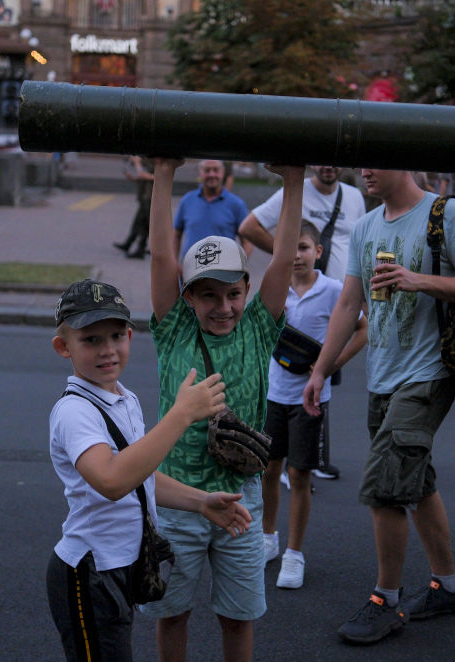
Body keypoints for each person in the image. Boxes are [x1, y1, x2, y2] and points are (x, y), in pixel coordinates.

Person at [301, 168, 455, 645]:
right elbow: (349, 303)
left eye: (375, 160)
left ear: (402, 162)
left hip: (429, 374)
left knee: (386, 487)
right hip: (382, 377)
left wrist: (418, 280)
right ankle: (446, 587)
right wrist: (321, 369)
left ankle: (385, 600)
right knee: (416, 480)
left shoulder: (446, 213)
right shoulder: (366, 226)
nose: (364, 170)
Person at [140, 157, 305, 661]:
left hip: (240, 501)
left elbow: (281, 261)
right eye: (208, 295)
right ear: (187, 297)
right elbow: (160, 258)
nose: (224, 306)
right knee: (173, 614)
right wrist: (163, 174)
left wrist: (294, 181)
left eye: (233, 294)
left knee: (238, 617)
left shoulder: (258, 328)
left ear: (247, 292)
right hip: (178, 503)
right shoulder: (174, 330)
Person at [45, 279, 253, 662]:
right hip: (90, 572)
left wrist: (201, 501)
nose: (107, 350)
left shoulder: (123, 398)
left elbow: (138, 475)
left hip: (121, 565)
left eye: (115, 336)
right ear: (64, 347)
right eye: (90, 340)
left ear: (129, 335)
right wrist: (181, 414)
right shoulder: (75, 411)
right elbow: (111, 481)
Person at [238, 164, 367, 479]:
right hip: (297, 301)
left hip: (337, 301)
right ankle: (288, 458)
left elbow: (359, 246)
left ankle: (312, 457)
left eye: (335, 161)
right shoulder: (294, 192)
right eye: (321, 160)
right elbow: (249, 226)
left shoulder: (353, 197)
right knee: (291, 377)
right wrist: (289, 258)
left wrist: (360, 291)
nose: (328, 167)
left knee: (320, 385)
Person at [261, 221, 368, 588]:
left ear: (318, 252)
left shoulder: (333, 290)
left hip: (311, 398)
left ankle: (295, 553)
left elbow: (363, 327)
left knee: (299, 475)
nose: (296, 256)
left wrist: (331, 364)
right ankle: (267, 538)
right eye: (289, 248)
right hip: (273, 394)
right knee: (268, 470)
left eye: (303, 247)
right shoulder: (274, 290)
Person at [173, 159, 249, 258]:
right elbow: (176, 235)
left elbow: (247, 241)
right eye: (207, 170)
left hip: (223, 271)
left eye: (216, 170)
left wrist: (239, 266)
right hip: (189, 271)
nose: (211, 174)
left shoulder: (237, 204)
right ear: (199, 173)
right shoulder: (187, 200)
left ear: (223, 172)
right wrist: (174, 262)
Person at [113, 155, 154, 258]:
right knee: (140, 223)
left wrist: (137, 163)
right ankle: (132, 245)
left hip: (149, 197)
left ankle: (140, 248)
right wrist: (133, 178)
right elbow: (143, 177)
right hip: (145, 197)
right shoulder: (148, 163)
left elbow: (149, 176)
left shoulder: (155, 163)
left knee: (145, 224)